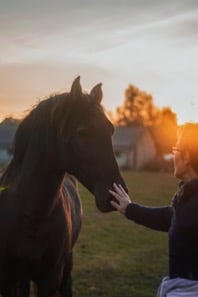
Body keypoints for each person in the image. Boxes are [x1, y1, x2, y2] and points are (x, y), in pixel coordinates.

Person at [109, 122, 198, 297]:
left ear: (186, 157)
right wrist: (129, 208)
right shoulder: (188, 199)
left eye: (175, 149)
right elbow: (168, 217)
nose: (173, 155)